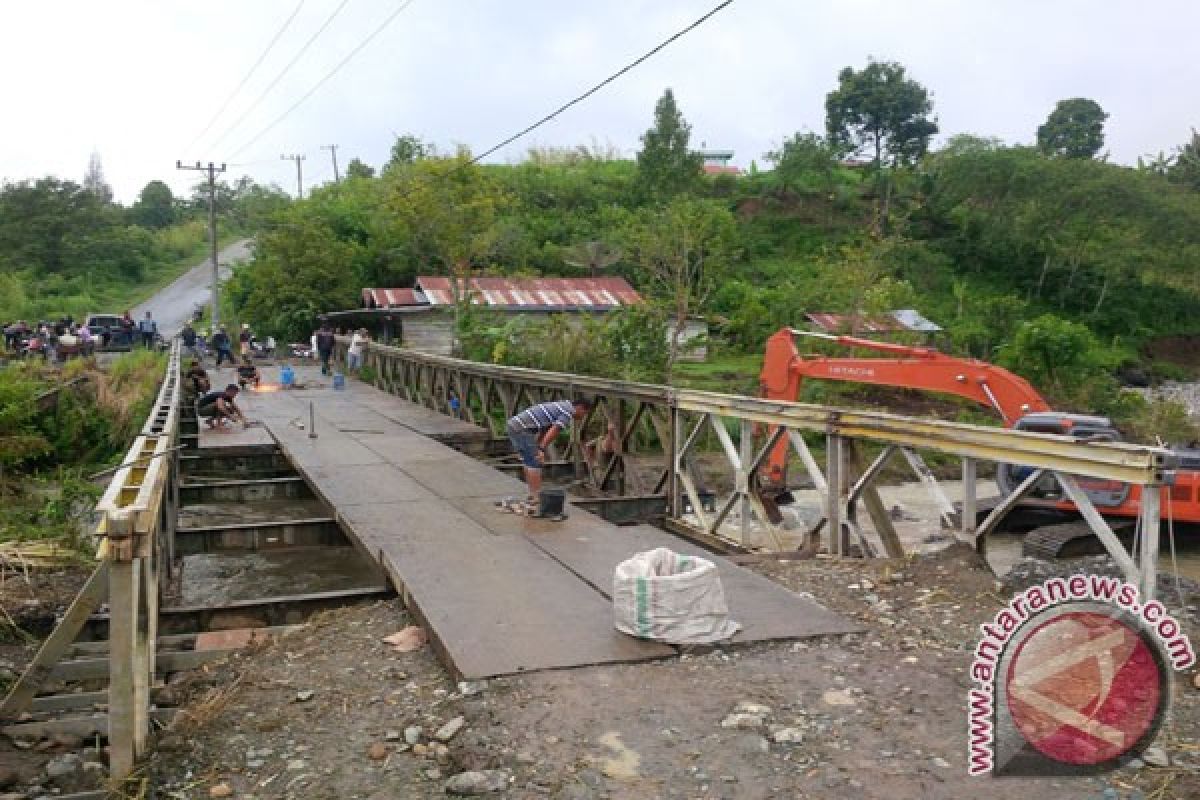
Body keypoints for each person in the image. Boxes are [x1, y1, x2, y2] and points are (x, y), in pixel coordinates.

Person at [505, 397, 592, 507]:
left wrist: (538, 447)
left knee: (529, 461)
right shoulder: (568, 411)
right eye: (585, 413)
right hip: (521, 429)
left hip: (515, 426)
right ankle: (536, 497)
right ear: (580, 408)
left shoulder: (561, 406)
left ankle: (533, 495)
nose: (583, 416)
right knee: (534, 463)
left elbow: (544, 430)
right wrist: (541, 449)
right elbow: (555, 430)